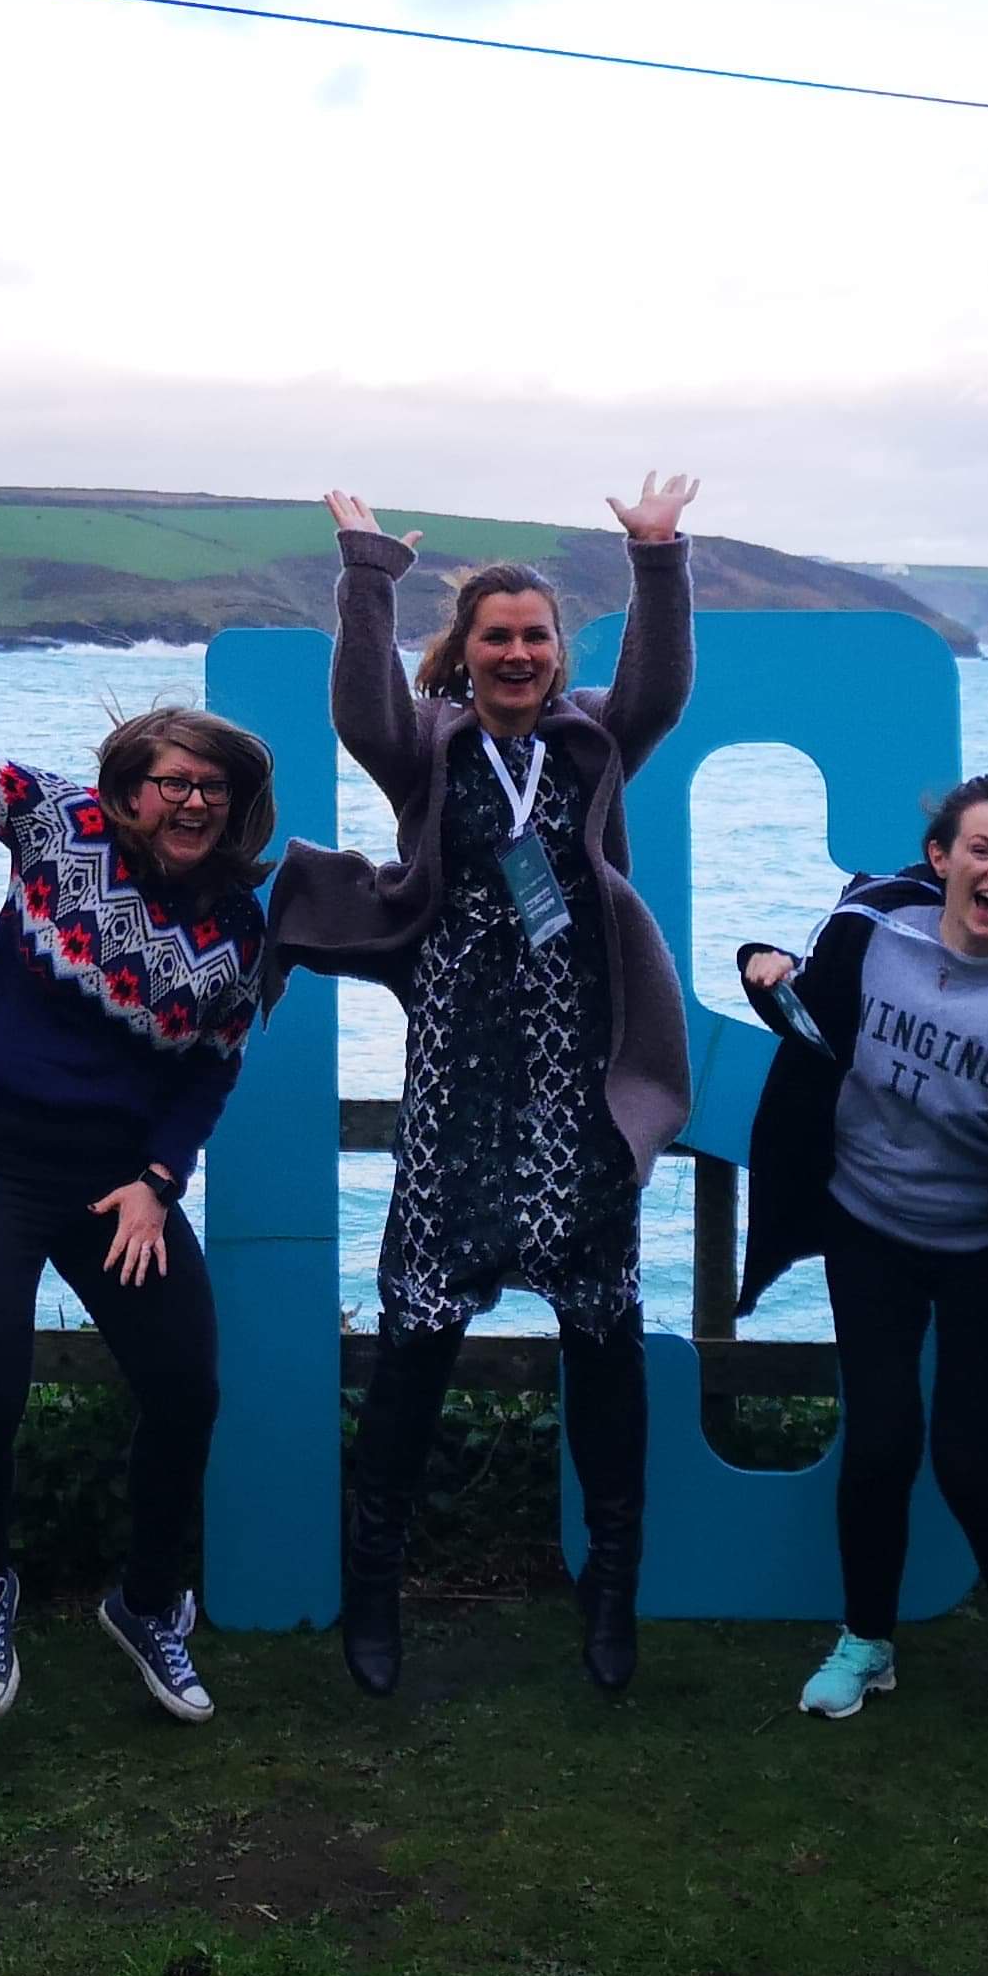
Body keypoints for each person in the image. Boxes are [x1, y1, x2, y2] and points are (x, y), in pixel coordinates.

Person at [267, 475, 699, 1698]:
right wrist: (366, 573)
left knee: (603, 1337)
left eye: (535, 637)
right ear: (465, 655)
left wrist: (657, 562)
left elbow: (662, 686)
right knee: (416, 1341)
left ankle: (610, 1594)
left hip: (579, 1087)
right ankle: (373, 1593)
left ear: (560, 656)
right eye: (496, 637)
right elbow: (360, 710)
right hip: (457, 1086)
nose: (516, 653)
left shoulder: (595, 740)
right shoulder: (431, 749)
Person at [0, 516, 272, 1726]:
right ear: (128, 788)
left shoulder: (242, 930)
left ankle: (151, 1604)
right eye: (172, 781)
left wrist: (161, 1177)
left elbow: (207, 1072)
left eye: (214, 786)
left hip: (117, 1178)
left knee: (187, 1387)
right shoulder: (57, 824)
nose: (191, 799)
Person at [736, 773, 988, 1755]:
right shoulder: (874, 935)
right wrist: (759, 966)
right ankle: (867, 1640)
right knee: (876, 1444)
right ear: (943, 859)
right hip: (868, 1226)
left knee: (969, 1461)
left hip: (985, 1252)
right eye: (985, 850)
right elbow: (801, 1008)